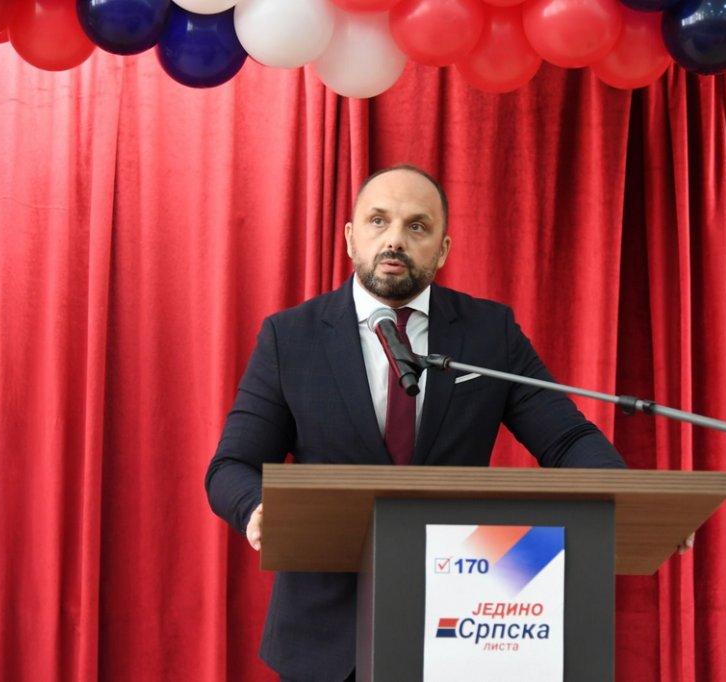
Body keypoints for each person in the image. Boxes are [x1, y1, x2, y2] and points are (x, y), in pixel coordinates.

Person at [205, 164, 626, 682]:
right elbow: (232, 465)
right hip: (326, 640)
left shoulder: (489, 333)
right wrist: (257, 508)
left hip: (464, 624)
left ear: (443, 249)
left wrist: (628, 504)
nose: (395, 240)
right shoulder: (290, 338)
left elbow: (567, 439)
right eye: (378, 221)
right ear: (350, 237)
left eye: (417, 226)